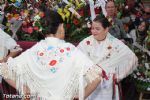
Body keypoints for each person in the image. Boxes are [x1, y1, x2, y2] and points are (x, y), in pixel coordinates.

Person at [0, 7, 103, 100]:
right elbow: (97, 77)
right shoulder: (70, 50)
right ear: (61, 26)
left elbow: (4, 69)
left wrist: (24, 89)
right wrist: (80, 97)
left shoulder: (34, 50)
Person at [77, 15, 138, 100]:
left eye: (97, 29)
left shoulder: (115, 44)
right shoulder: (86, 42)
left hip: (107, 85)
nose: (94, 31)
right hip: (90, 84)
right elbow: (76, 59)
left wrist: (119, 76)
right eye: (92, 28)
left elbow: (132, 58)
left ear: (106, 30)